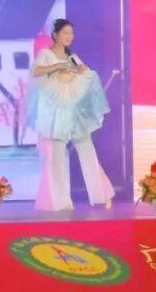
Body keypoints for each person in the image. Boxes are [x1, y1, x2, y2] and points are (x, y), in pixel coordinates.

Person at [27, 19, 114, 211]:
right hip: (56, 113)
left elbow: (85, 73)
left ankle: (101, 195)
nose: (69, 37)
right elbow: (36, 71)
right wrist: (58, 67)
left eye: (71, 33)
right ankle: (59, 201)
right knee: (57, 156)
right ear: (55, 35)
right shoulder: (46, 54)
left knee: (87, 150)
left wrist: (85, 72)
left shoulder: (72, 56)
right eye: (65, 33)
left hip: (74, 112)